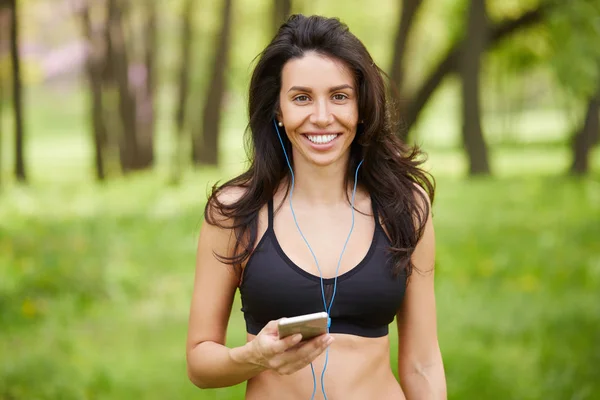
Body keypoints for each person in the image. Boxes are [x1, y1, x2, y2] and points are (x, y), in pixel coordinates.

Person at [186, 14, 446, 400]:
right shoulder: (234, 213)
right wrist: (255, 357)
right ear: (278, 109)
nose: (322, 117)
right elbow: (199, 363)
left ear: (361, 107)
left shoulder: (403, 207)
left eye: (339, 96)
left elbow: (422, 363)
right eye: (301, 97)